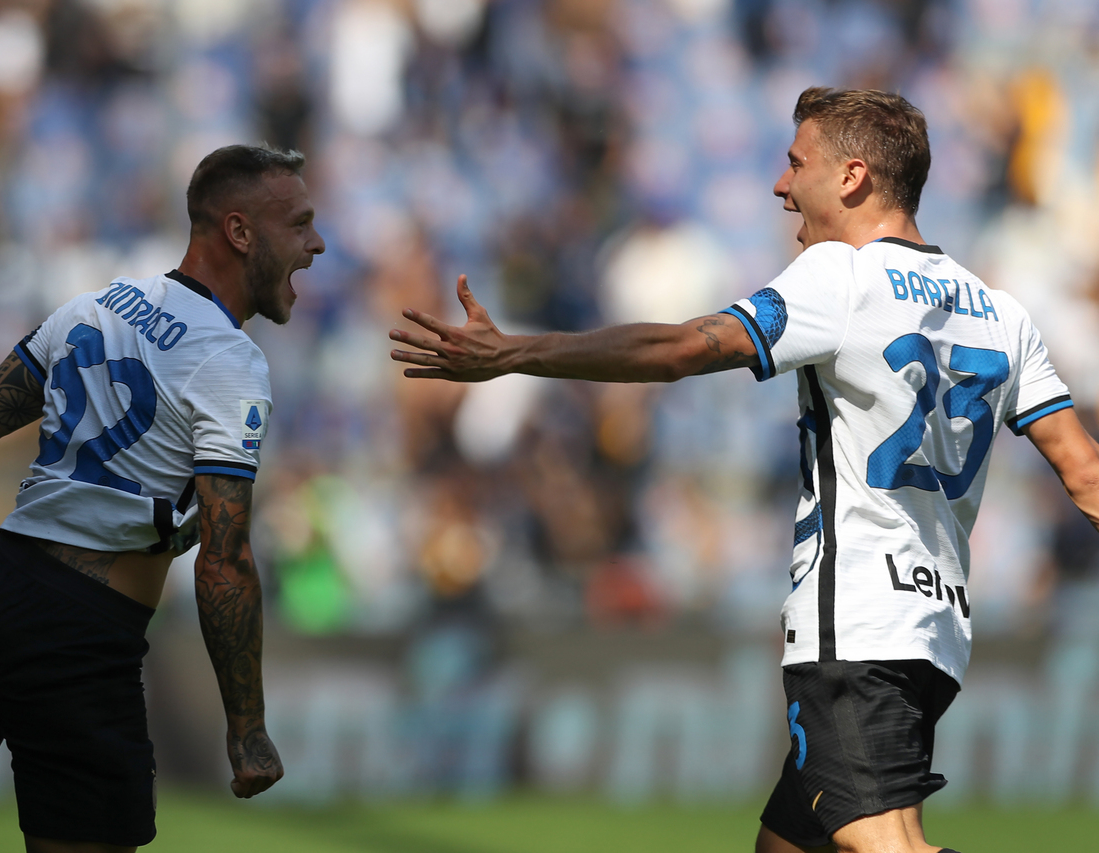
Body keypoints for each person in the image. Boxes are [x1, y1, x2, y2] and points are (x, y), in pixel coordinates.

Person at [388, 87, 1099, 853]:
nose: (780, 185)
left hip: (854, 621)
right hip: (935, 632)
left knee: (881, 843)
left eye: (797, 163)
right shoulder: (1000, 312)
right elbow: (1085, 472)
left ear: (852, 177)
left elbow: (683, 349)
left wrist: (515, 353)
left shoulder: (842, 276)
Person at [0, 144, 325, 853]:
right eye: (299, 223)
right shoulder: (230, 362)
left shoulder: (97, 305)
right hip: (79, 630)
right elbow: (225, 560)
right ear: (240, 232)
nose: (316, 243)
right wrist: (246, 727)